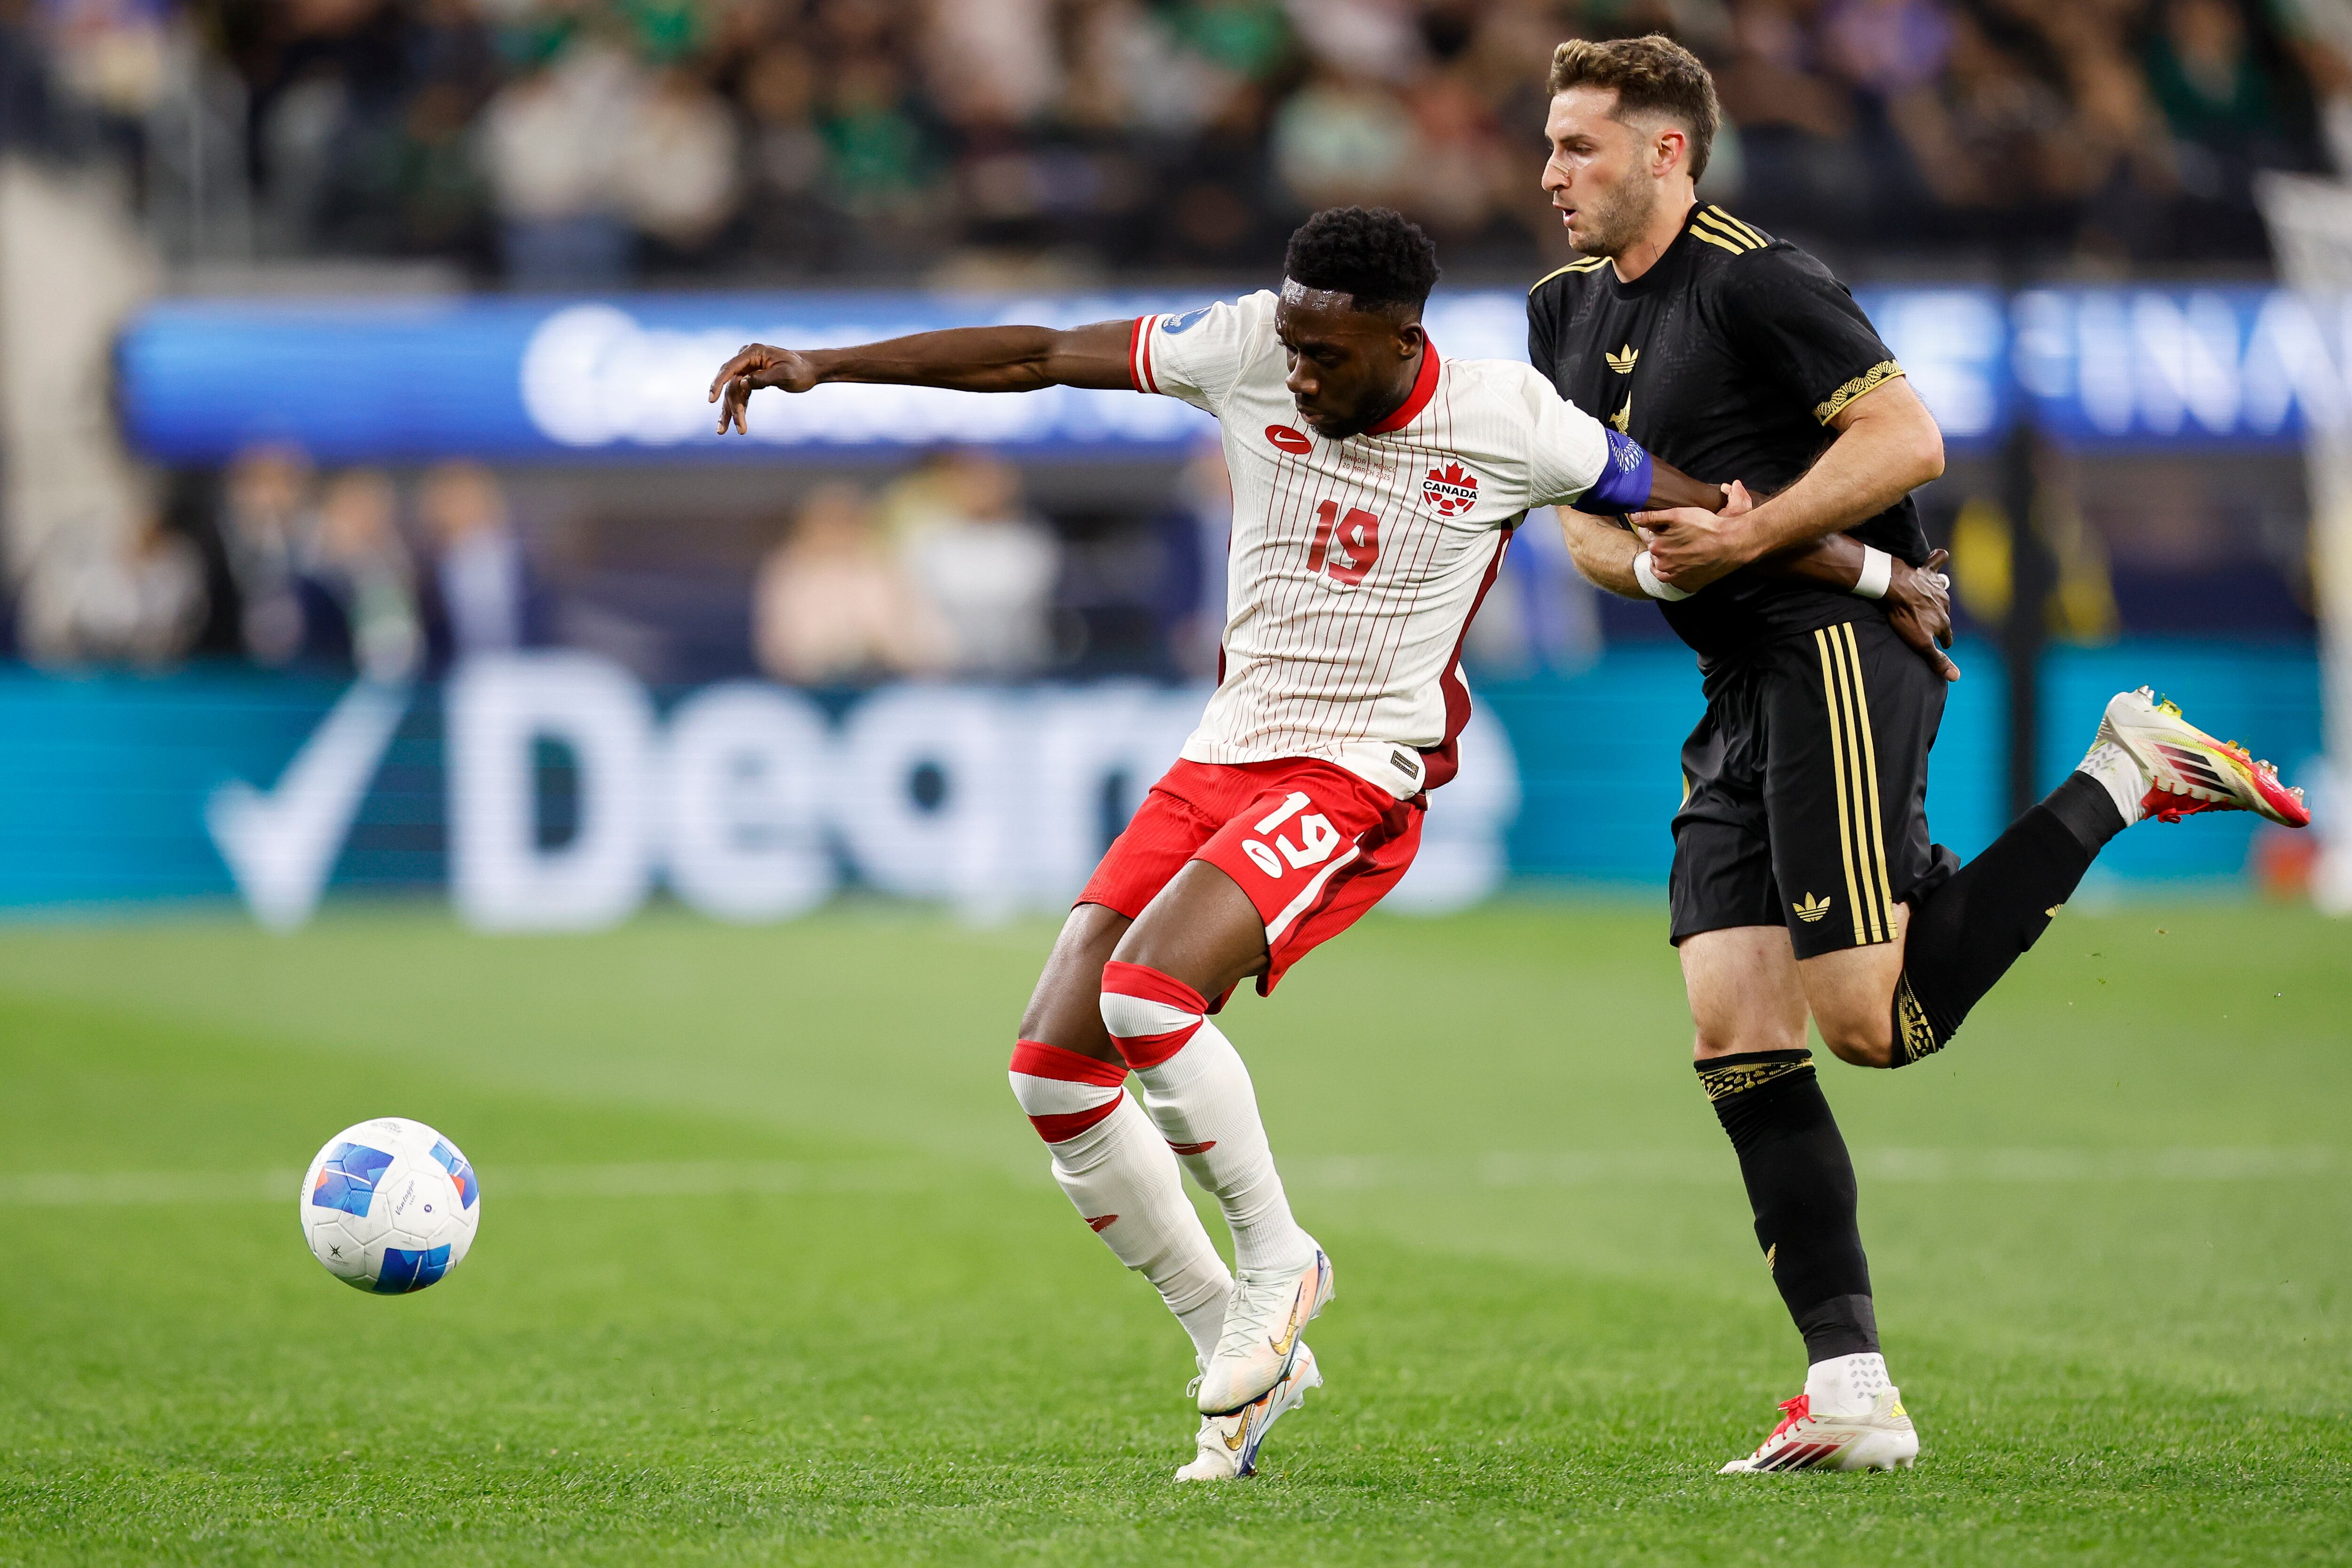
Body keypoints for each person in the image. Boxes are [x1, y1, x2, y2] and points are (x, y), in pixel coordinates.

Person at [709, 205, 1772, 1483]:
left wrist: (1879, 577)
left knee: (1146, 996)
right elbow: (1038, 354)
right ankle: (1232, 1331)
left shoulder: (1512, 422)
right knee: (1052, 1073)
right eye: (1292, 343)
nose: (1300, 371)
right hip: (1221, 757)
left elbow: (1714, 514)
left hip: (1357, 767)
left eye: (1327, 353)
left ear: (1403, 339)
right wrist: (825, 367)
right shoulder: (1246, 344)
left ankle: (1281, 1261)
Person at [1525, 35, 2312, 1475]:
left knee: (1873, 1022)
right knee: (1734, 1027)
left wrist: (1755, 537)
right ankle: (1850, 1393)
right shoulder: (1561, 309)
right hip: (1734, 679)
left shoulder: (1758, 277)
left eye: (1579, 145)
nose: (1549, 173)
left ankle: (2123, 771)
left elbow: (1907, 437)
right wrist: (1649, 570)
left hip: (1833, 648)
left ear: (1666, 151)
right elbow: (1576, 507)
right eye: (1548, 143)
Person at [753, 480, 946, 684]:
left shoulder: (884, 566)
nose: (837, 532)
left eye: (847, 521)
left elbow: (921, 644)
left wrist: (877, 649)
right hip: (807, 689)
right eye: (829, 522)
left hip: (885, 685)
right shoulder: (788, 570)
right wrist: (835, 651)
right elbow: (780, 649)